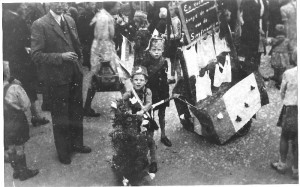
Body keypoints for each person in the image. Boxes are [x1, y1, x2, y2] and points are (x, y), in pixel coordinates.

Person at [31, 2, 91, 165]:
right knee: (61, 115)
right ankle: (63, 152)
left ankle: (77, 144)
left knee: (76, 111)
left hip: (75, 75)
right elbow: (36, 55)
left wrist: (80, 62)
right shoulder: (40, 24)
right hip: (57, 79)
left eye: (62, 1)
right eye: (55, 1)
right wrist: (61, 56)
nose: (59, 4)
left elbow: (77, 44)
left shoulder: (70, 20)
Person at [3, 3, 49, 127]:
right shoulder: (17, 19)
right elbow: (24, 39)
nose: (24, 7)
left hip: (7, 59)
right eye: (22, 5)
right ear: (15, 6)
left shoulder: (4, 16)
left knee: (9, 87)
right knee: (28, 86)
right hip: (20, 59)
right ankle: (35, 116)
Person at [85, 1, 122, 117]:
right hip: (103, 52)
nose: (119, 7)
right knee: (107, 77)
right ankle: (86, 107)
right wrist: (106, 59)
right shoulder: (104, 18)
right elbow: (102, 38)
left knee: (98, 79)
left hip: (103, 50)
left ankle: (86, 106)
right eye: (117, 5)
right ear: (112, 7)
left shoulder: (104, 15)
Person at [3, 61, 39, 181]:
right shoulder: (14, 88)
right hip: (17, 121)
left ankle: (16, 170)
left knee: (10, 147)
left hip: (3, 123)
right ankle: (24, 172)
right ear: (7, 73)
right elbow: (26, 104)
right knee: (19, 147)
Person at [122, 66, 158, 173]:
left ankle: (154, 161)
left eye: (141, 80)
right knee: (137, 139)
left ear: (146, 81)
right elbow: (125, 103)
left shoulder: (147, 91)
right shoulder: (130, 92)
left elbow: (149, 103)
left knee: (149, 140)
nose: (138, 82)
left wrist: (143, 111)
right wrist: (125, 101)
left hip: (146, 118)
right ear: (132, 81)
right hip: (134, 120)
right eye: (136, 80)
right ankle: (142, 160)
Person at [271, 49, 298, 180]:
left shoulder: (288, 73)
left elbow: (282, 91)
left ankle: (281, 165)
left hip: (291, 109)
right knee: (298, 141)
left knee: (285, 137)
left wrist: (286, 99)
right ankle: (296, 169)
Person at [141, 36, 172, 147]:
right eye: (154, 50)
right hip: (151, 92)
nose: (156, 52)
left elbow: (165, 76)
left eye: (159, 50)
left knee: (162, 114)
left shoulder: (164, 62)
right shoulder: (146, 62)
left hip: (162, 90)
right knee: (150, 116)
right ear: (149, 50)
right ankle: (150, 139)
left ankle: (163, 135)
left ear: (162, 50)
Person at [266, 24, 293, 89]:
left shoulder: (273, 40)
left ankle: (278, 80)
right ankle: (279, 80)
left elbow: (268, 43)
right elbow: (291, 49)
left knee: (276, 68)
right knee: (282, 70)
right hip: (284, 58)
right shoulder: (287, 41)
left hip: (275, 57)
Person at [163, 1, 182, 83]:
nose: (170, 11)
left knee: (176, 61)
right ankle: (172, 77)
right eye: (169, 9)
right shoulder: (169, 19)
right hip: (170, 44)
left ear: (175, 10)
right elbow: (167, 30)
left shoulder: (177, 20)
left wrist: (168, 37)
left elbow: (178, 35)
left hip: (175, 43)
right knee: (171, 61)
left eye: (172, 10)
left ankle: (179, 77)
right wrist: (164, 35)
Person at [77, 2, 96, 71]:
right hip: (87, 36)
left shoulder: (92, 13)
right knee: (88, 50)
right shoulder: (84, 14)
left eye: (94, 4)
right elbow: (81, 27)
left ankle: (87, 63)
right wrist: (83, 37)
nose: (94, 6)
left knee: (89, 50)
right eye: (92, 4)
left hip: (91, 35)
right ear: (87, 5)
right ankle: (89, 64)